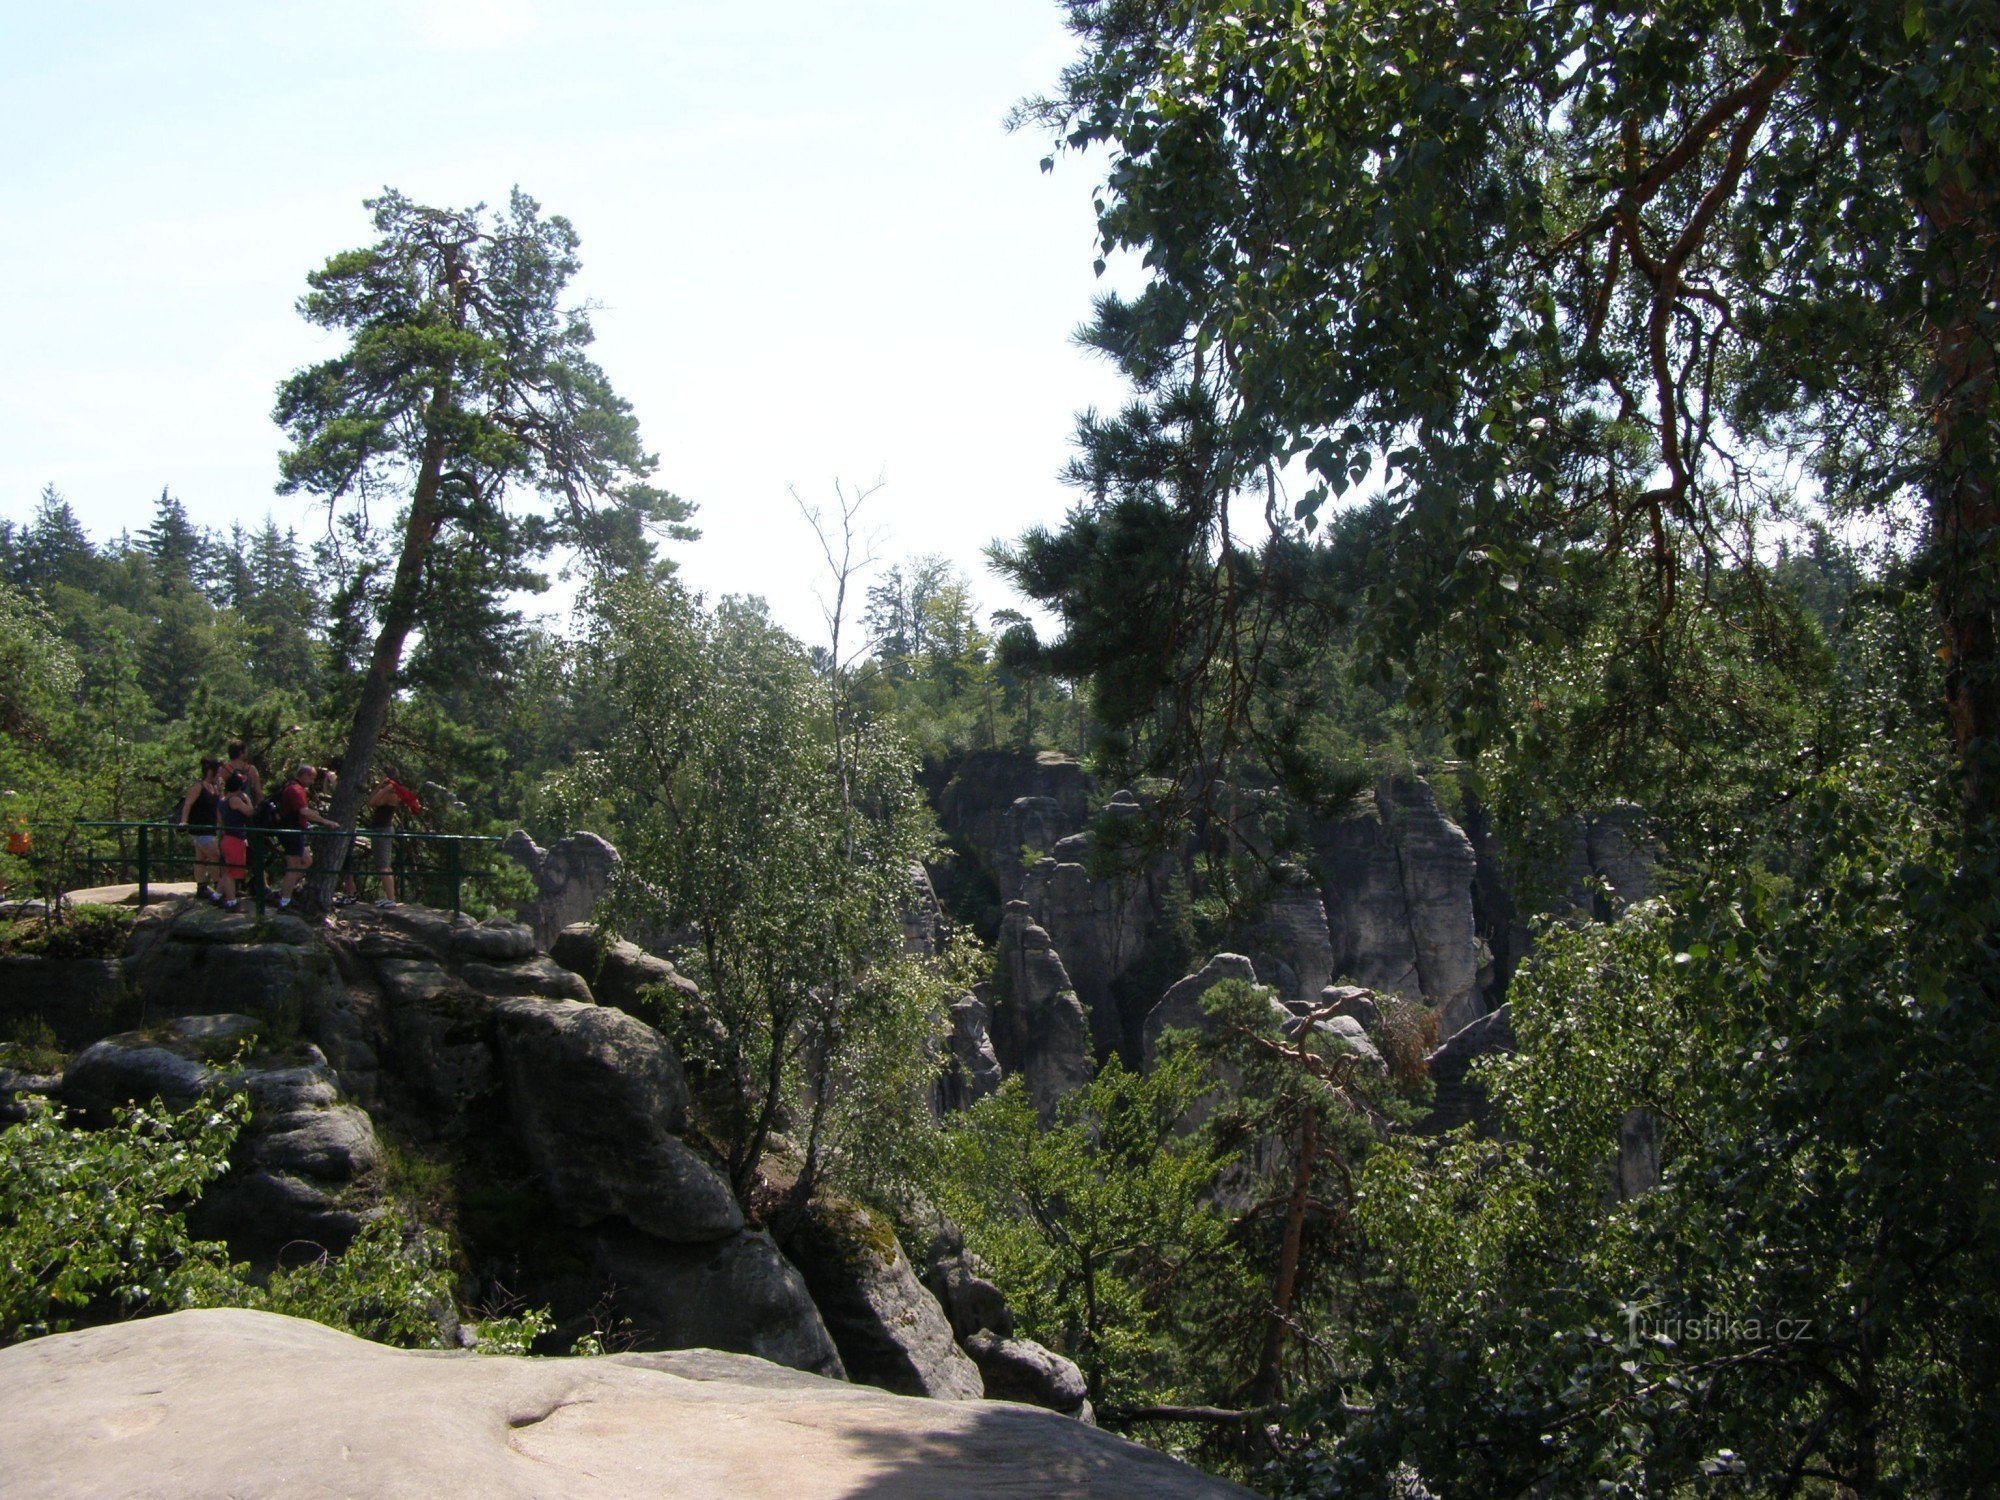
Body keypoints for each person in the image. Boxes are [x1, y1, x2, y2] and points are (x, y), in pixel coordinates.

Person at [276, 763, 339, 909]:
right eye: (312, 778)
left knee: (307, 861)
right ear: (304, 775)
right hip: (292, 832)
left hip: (295, 831)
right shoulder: (296, 789)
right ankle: (285, 901)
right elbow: (304, 811)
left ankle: (284, 889)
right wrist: (325, 821)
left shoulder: (290, 786)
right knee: (293, 866)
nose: (312, 782)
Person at [362, 773, 421, 907]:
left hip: (383, 830)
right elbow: (370, 799)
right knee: (382, 865)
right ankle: (389, 897)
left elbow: (372, 802)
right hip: (379, 830)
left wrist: (386, 788)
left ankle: (391, 898)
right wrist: (379, 786)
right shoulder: (386, 792)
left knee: (384, 866)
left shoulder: (391, 795)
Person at [176, 758, 224, 901]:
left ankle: (201, 887)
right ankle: (219, 887)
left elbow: (219, 806)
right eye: (218, 772)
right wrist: (184, 822)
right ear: (210, 771)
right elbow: (187, 804)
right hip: (199, 828)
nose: (219, 775)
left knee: (201, 858)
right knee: (215, 856)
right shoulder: (198, 787)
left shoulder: (214, 788)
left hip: (210, 828)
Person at [216, 771, 253, 911]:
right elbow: (249, 812)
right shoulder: (235, 800)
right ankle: (232, 902)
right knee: (232, 873)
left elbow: (220, 820)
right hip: (235, 839)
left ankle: (217, 896)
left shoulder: (222, 801)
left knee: (228, 871)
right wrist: (247, 798)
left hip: (226, 838)